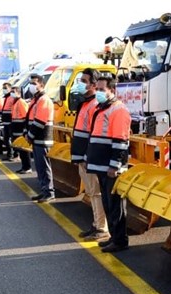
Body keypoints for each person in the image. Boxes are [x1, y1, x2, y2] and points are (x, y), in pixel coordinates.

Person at [86, 75, 131, 253]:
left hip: (111, 168)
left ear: (112, 90)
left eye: (101, 90)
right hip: (101, 166)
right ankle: (114, 237)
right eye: (96, 89)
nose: (97, 92)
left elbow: (121, 141)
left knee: (115, 206)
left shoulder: (118, 110)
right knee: (108, 204)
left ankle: (120, 240)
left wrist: (114, 166)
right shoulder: (103, 108)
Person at [71, 68, 109, 241]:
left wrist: (88, 156)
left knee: (96, 192)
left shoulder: (94, 105)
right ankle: (96, 224)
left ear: (94, 85)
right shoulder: (85, 103)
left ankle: (101, 228)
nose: (80, 83)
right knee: (91, 192)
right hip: (82, 155)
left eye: (84, 81)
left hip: (88, 157)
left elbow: (94, 133)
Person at [25, 74, 56, 202]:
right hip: (37, 139)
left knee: (44, 166)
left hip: (43, 139)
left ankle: (49, 192)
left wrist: (30, 136)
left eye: (34, 83)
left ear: (41, 85)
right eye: (31, 83)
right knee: (39, 166)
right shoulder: (36, 99)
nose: (31, 86)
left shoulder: (44, 100)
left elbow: (39, 122)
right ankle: (43, 190)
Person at [9, 86, 32, 174]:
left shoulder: (21, 102)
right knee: (20, 149)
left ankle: (27, 167)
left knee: (24, 149)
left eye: (13, 91)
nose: (12, 93)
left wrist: (25, 130)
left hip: (21, 129)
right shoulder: (15, 102)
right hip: (16, 128)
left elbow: (25, 117)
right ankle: (24, 166)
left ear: (18, 93)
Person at [0, 83, 17, 161]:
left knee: (10, 139)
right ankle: (9, 154)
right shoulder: (6, 98)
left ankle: (13, 155)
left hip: (10, 122)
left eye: (5, 88)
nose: (4, 89)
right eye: (3, 88)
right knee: (6, 139)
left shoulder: (11, 97)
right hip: (6, 122)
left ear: (10, 88)